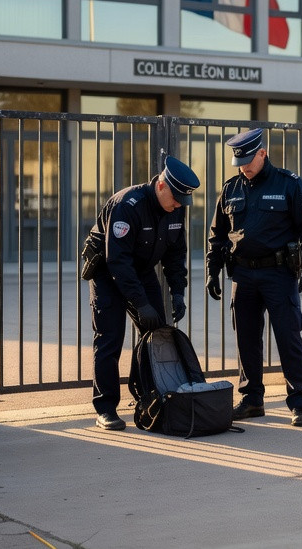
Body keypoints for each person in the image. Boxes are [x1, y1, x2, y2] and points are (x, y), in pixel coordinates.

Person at [206, 128, 302, 428]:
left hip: (278, 273)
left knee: (288, 337)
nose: (243, 166)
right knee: (246, 339)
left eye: (248, 159)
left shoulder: (289, 184)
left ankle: (298, 401)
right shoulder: (231, 188)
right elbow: (217, 235)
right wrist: (212, 270)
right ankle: (252, 400)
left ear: (262, 153)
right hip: (243, 275)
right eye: (239, 161)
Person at [86, 157, 199, 430]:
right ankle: (106, 408)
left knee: (157, 334)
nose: (178, 206)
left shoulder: (175, 207)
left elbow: (175, 255)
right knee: (109, 339)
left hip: (142, 269)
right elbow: (118, 262)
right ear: (161, 185)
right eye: (175, 198)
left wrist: (178, 293)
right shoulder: (128, 205)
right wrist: (140, 303)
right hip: (109, 271)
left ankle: (153, 397)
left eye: (183, 201)